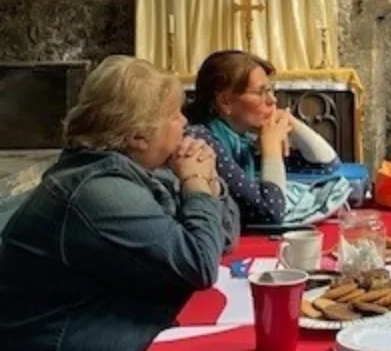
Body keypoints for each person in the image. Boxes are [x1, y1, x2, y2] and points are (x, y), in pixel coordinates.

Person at [0, 56, 239, 351]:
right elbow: (200, 265)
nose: (186, 123)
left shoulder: (140, 172)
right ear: (138, 135)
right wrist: (196, 185)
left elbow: (223, 240)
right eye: (175, 115)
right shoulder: (97, 192)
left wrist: (209, 179)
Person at [185, 50, 349, 226]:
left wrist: (291, 123)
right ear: (225, 102)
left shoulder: (243, 137)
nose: (272, 101)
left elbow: (327, 167)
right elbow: (271, 213)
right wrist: (271, 148)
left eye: (270, 90)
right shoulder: (202, 140)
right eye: (260, 92)